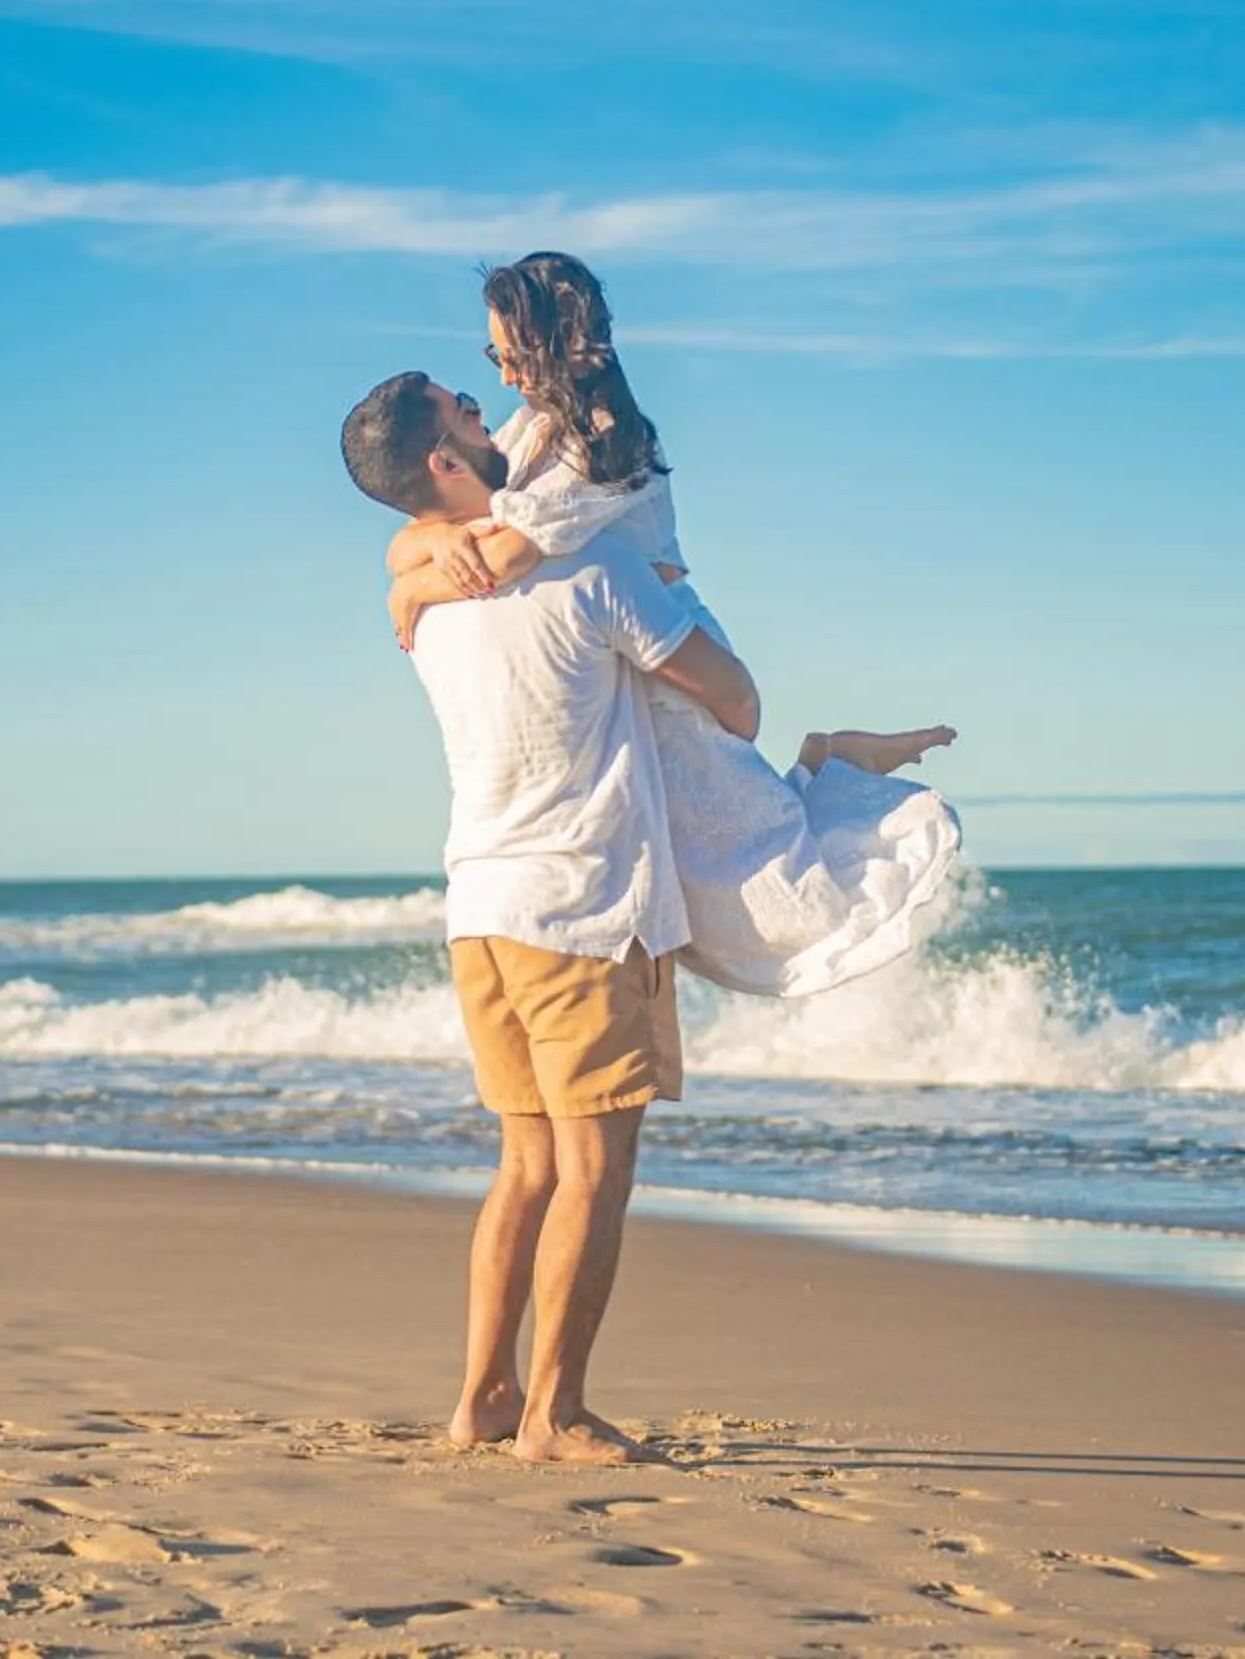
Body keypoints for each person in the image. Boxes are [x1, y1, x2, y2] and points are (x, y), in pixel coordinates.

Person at [342, 370, 760, 1464]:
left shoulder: (424, 605)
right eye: (466, 414)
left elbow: (415, 565)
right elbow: (738, 697)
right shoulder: (593, 571)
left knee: (525, 1165)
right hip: (582, 910)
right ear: (442, 461)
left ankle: (483, 1394)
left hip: (480, 906)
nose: (490, 413)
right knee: (592, 1171)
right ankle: (555, 1413)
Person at [385, 251, 961, 999]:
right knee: (688, 874)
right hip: (618, 652)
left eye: (511, 353)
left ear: (559, 344)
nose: (501, 376)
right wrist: (419, 557)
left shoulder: (604, 441)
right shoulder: (528, 432)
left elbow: (512, 552)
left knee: (766, 891)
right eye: (492, 355)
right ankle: (820, 764)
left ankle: (834, 766)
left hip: (668, 651)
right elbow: (441, 530)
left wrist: (410, 593)